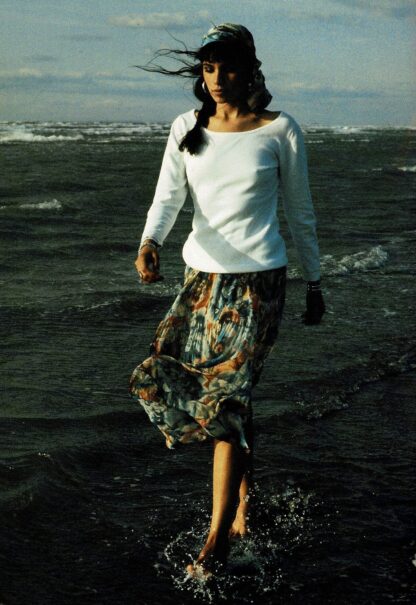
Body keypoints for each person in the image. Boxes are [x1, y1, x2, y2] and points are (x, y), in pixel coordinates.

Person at [129, 23, 325, 580]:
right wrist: (149, 243)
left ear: (250, 70)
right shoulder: (185, 128)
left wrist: (314, 282)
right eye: (209, 68)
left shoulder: (280, 130)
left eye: (228, 67)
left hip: (259, 286)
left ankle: (215, 539)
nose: (217, 78)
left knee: (227, 403)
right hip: (200, 283)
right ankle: (243, 504)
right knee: (205, 391)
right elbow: (167, 196)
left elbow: (300, 210)